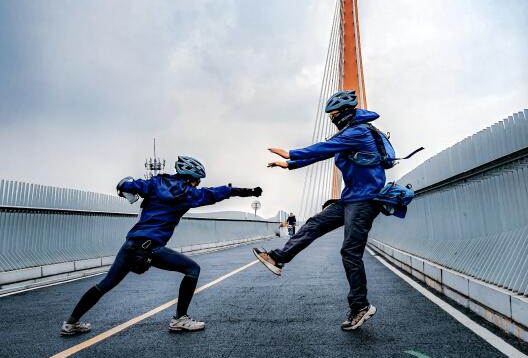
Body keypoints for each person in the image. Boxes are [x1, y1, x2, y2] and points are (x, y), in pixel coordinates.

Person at [61, 156, 262, 336]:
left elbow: (130, 186)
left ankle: (71, 323)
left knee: (106, 284)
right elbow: (218, 192)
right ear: (191, 178)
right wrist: (248, 192)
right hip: (150, 246)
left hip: (131, 243)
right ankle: (180, 319)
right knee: (192, 269)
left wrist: (127, 187)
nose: (197, 184)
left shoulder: (156, 182)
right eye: (197, 180)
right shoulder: (190, 194)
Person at [253, 90, 385, 331]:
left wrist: (292, 153)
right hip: (350, 199)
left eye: (334, 114)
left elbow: (324, 147)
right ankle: (278, 258)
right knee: (314, 223)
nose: (332, 118)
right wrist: (291, 164)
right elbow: (327, 152)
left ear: (345, 112)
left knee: (350, 252)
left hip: (366, 200)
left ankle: (360, 306)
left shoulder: (359, 132)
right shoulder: (348, 133)